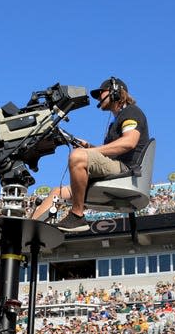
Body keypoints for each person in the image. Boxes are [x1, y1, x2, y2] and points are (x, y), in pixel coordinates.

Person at [31, 77, 150, 232]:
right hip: (115, 167)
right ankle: (27, 234)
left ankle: (77, 215)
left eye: (102, 93)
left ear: (115, 92)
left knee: (78, 156)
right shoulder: (115, 122)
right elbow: (109, 153)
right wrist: (88, 146)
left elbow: (129, 142)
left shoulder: (131, 112)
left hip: (125, 170)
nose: (99, 97)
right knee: (56, 192)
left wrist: (87, 151)